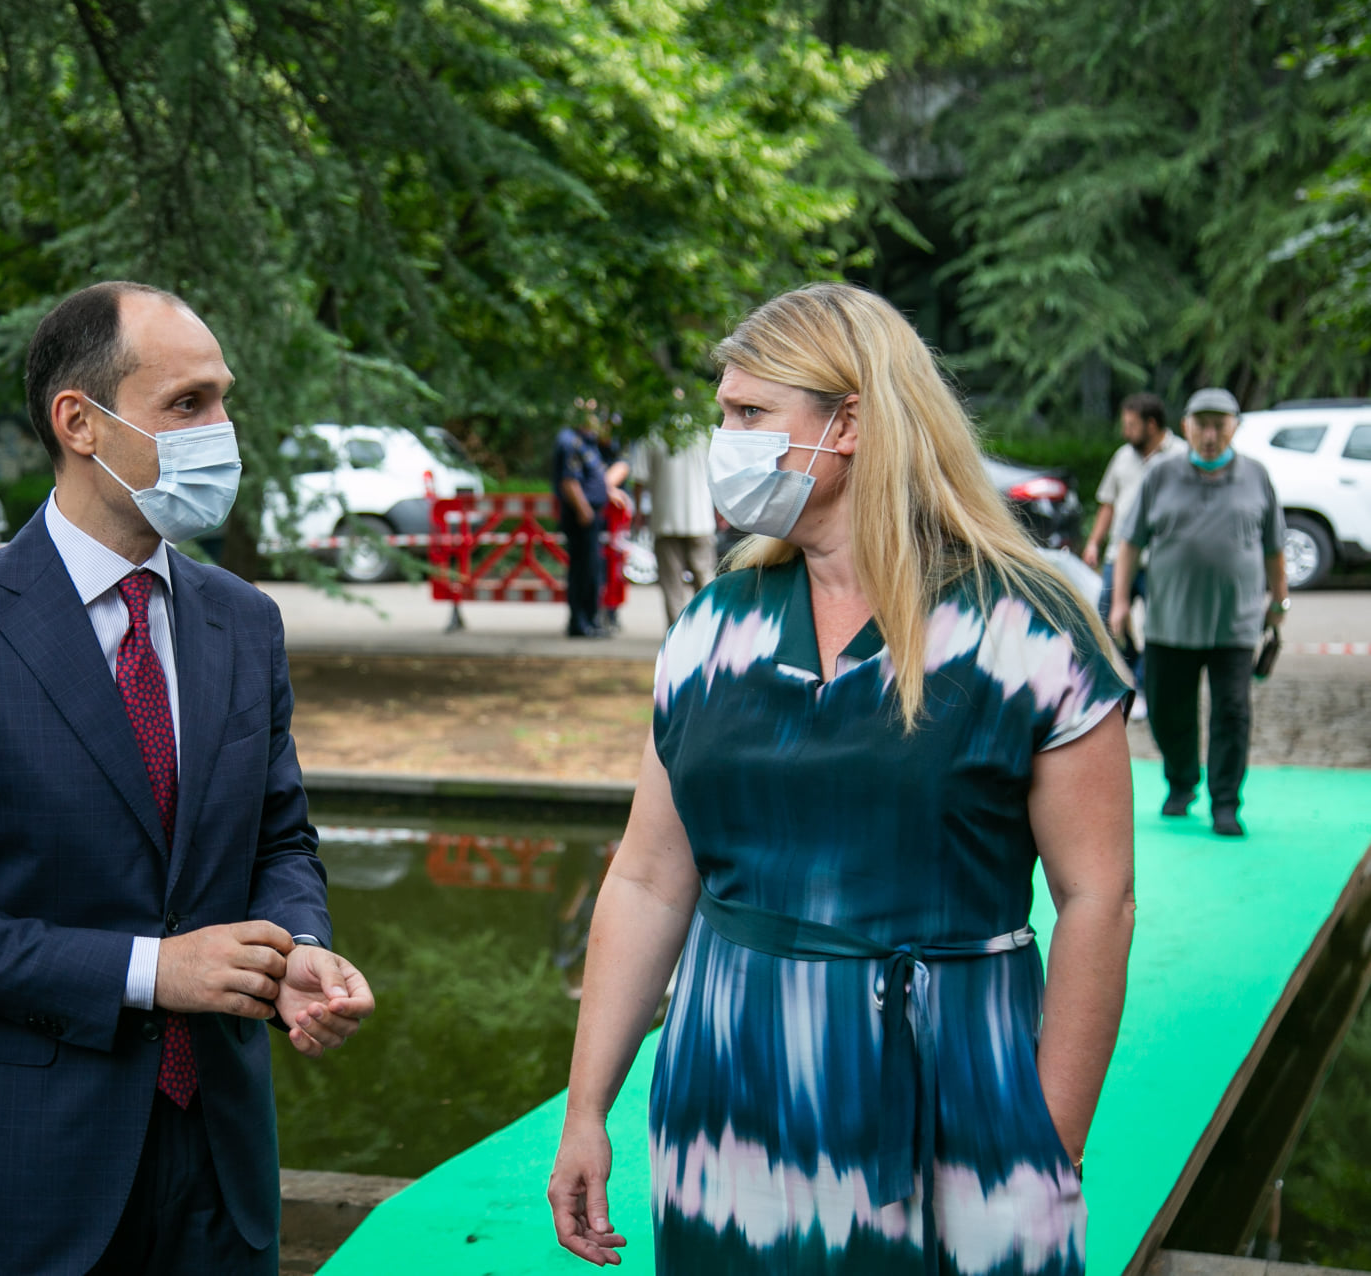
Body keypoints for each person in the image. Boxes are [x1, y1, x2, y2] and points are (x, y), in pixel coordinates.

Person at [547, 283, 1135, 1274]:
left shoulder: (1028, 628)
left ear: (850, 423)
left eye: (749, 413)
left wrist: (1050, 1144)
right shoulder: (712, 626)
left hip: (952, 1105)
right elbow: (648, 879)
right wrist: (586, 1108)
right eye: (724, 413)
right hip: (724, 1116)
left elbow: (1098, 899)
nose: (725, 441)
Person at [0, 281, 374, 1276]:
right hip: (32, 1181)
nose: (220, 432)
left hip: (222, 1175)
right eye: (186, 404)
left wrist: (296, 947)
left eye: (222, 401)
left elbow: (280, 840)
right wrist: (151, 970)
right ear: (79, 422)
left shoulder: (244, 621)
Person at [1109, 386, 1288, 838]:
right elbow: (1129, 543)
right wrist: (1120, 600)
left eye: (1219, 425)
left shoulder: (1257, 476)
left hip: (1236, 623)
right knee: (1168, 711)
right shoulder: (1160, 474)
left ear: (1235, 427)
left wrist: (1279, 602)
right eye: (1201, 425)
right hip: (1170, 621)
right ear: (1185, 427)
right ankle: (1181, 782)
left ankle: (1225, 802)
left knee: (1232, 713)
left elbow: (1274, 547)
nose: (1210, 435)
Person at [1083, 391, 1187, 707]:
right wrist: (1094, 542)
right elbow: (1108, 504)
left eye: (1131, 425)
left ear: (1151, 424)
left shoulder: (1182, 456)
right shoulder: (1122, 457)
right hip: (1120, 557)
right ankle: (1140, 673)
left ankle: (1145, 685)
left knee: (1160, 627)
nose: (1125, 431)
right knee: (1106, 617)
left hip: (1161, 559)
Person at [631, 428, 717, 623]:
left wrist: (638, 511)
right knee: (704, 578)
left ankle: (677, 632)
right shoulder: (704, 432)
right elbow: (718, 474)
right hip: (701, 519)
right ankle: (708, 628)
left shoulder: (653, 435)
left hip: (665, 520)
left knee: (672, 586)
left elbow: (639, 478)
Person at [554, 398, 622, 637]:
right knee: (584, 571)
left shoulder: (588, 442)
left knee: (592, 569)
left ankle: (590, 620)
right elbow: (569, 481)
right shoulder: (570, 442)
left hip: (591, 515)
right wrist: (585, 510)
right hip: (581, 516)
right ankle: (581, 623)